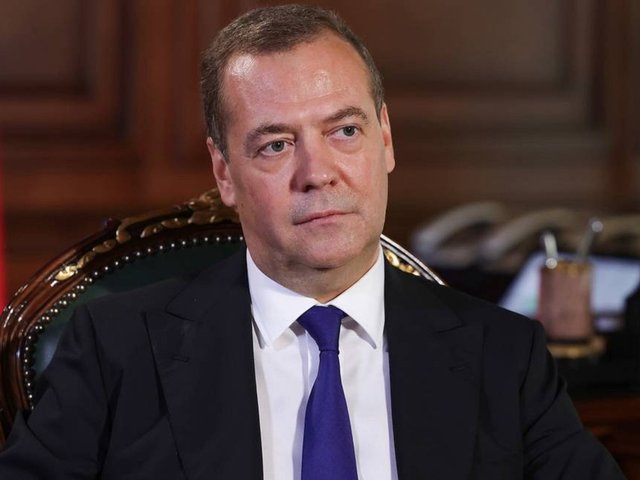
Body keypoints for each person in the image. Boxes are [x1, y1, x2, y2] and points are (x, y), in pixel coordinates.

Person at [0, 4, 625, 480]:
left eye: (344, 131)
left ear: (385, 139)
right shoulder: (116, 349)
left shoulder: (504, 356)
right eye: (276, 144)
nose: (317, 173)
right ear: (224, 173)